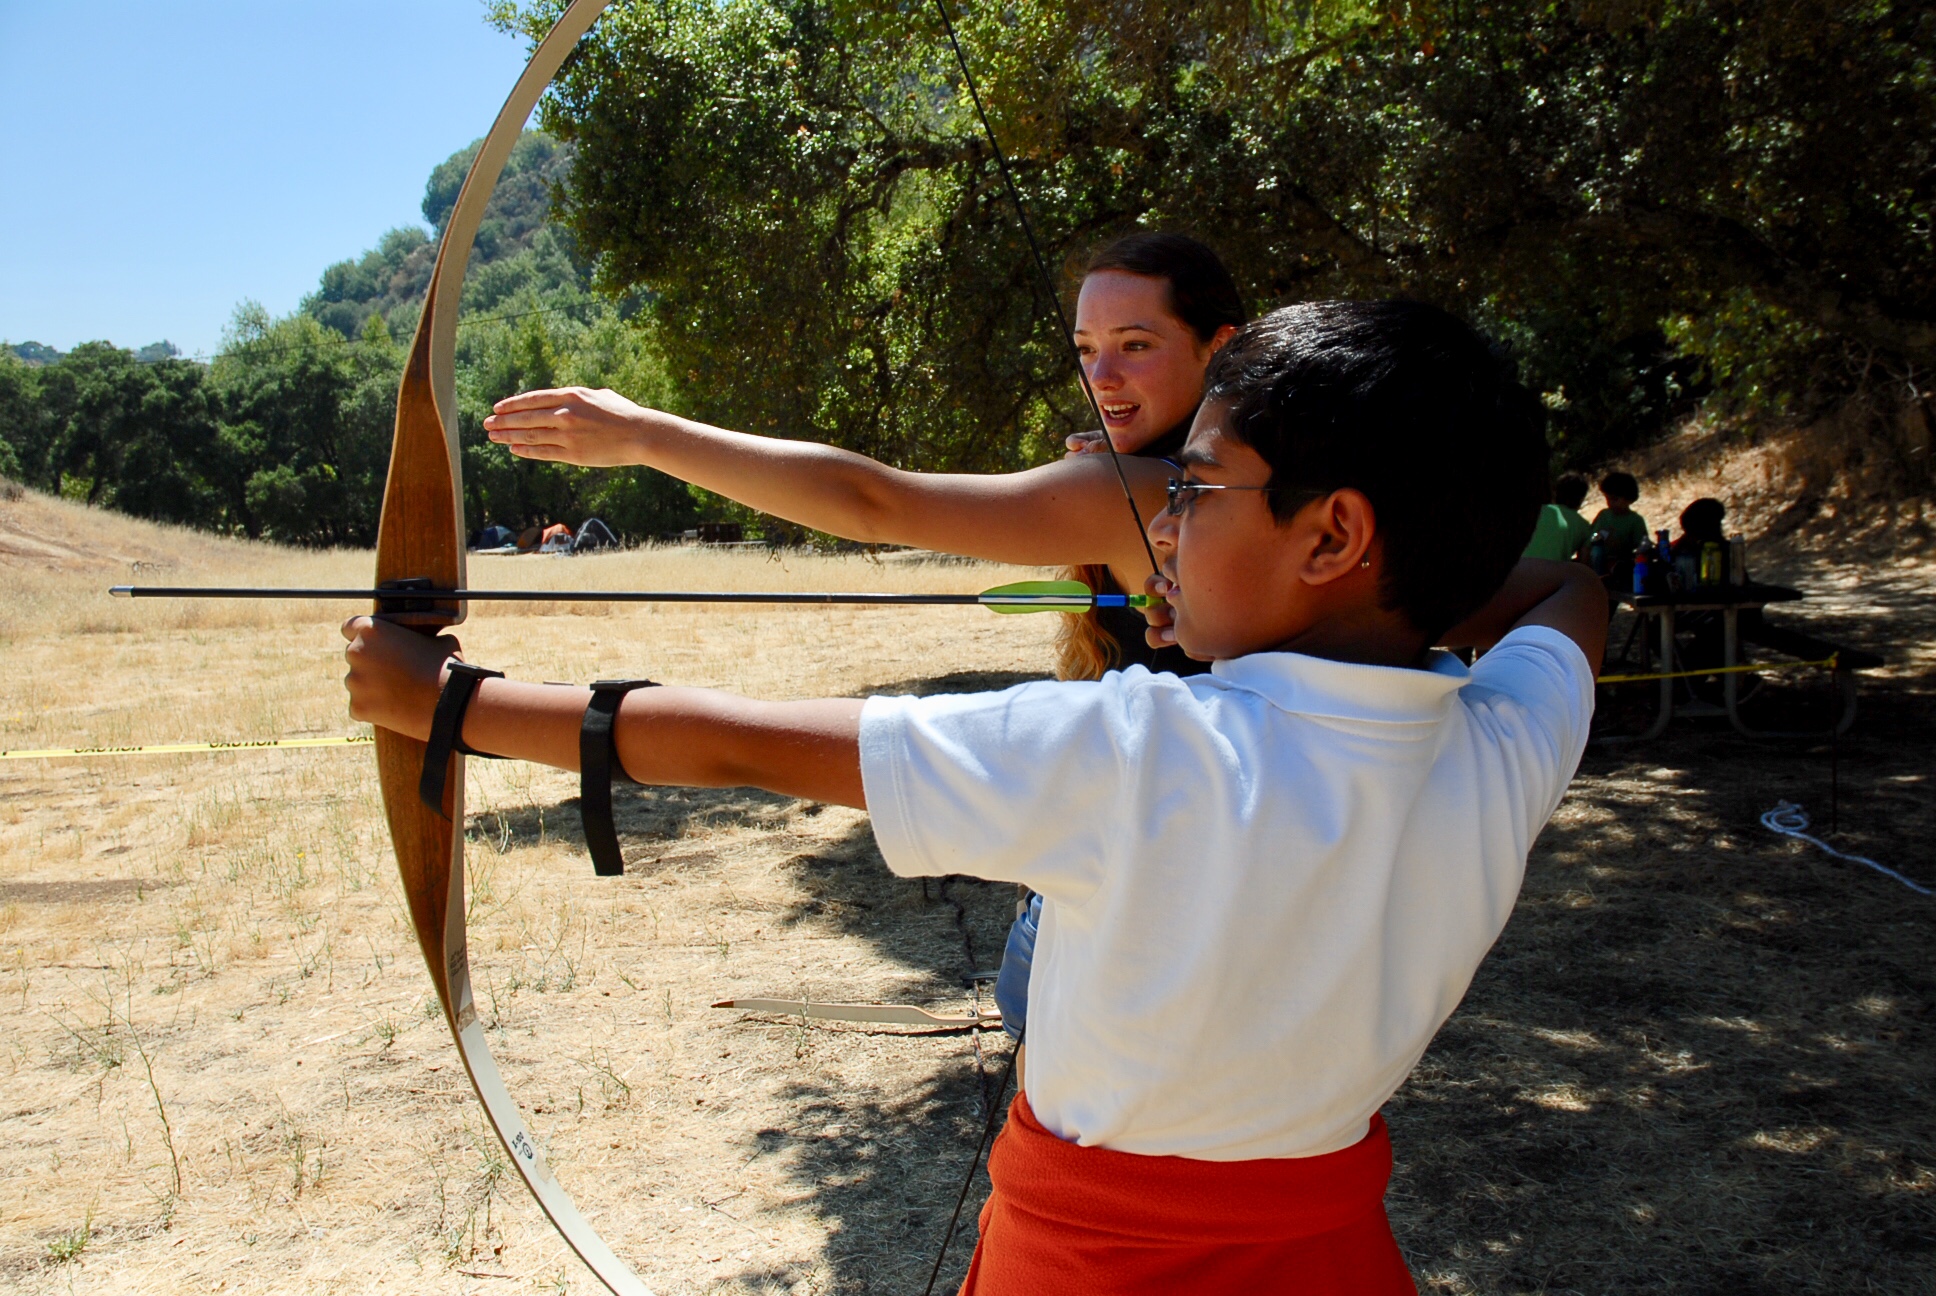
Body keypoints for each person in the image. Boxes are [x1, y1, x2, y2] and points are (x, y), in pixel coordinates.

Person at [344, 299, 1604, 1294]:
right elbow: (1569, 593)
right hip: (1333, 1258)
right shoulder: (1502, 743)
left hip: (1087, 1268)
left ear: (1330, 536)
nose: (1161, 529)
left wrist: (445, 703)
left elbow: (732, 746)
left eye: (1193, 490)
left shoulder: (1137, 748)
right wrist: (1400, 604)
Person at [480, 232, 1244, 681]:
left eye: (1135, 346)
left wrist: (648, 435)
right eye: (1085, 348)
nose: (1100, 377)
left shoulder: (1145, 492)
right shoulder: (1252, 476)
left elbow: (874, 503)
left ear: (1218, 347)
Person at [1522, 472, 1592, 561]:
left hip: (1519, 566)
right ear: (1581, 499)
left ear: (1555, 493)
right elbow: (1584, 560)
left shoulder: (1536, 512)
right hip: (1553, 569)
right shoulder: (1584, 526)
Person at [1588, 470, 1648, 563]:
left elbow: (1641, 546)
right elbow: (1591, 537)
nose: (1610, 503)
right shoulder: (1604, 515)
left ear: (1629, 499)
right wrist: (1599, 537)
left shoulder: (1636, 521)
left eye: (1614, 499)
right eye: (1607, 499)